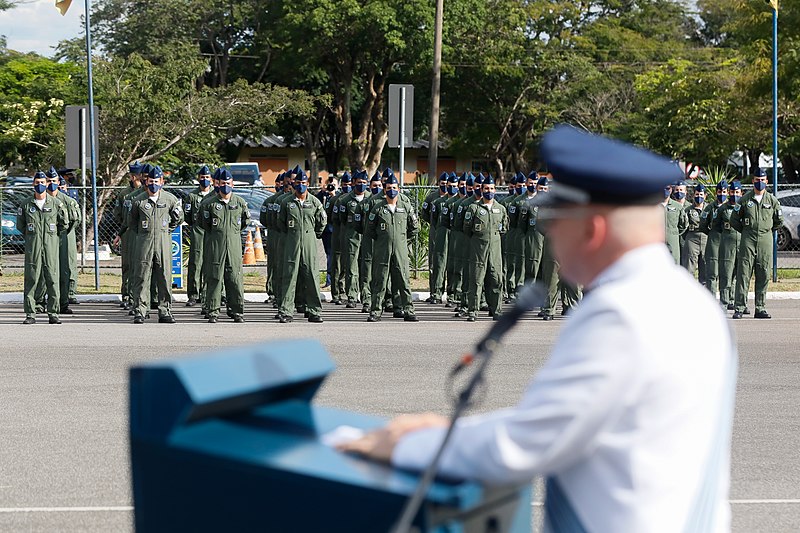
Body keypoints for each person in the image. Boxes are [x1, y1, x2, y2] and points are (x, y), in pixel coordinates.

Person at [339, 125, 737, 533]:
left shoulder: (620, 314)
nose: (548, 235)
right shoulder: (690, 300)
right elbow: (565, 422)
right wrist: (448, 429)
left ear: (592, 230)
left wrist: (405, 446)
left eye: (554, 221)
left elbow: (525, 444)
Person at [129, 166, 184, 324]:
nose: (153, 184)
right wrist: (143, 234)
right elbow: (132, 222)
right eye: (151, 181)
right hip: (144, 242)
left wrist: (166, 230)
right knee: (141, 276)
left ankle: (165, 310)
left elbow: (178, 218)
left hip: (163, 242)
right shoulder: (138, 201)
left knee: (165, 277)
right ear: (146, 181)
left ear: (162, 182)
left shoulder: (170, 200)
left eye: (156, 181)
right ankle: (140, 310)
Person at [364, 174, 419, 322]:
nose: (392, 191)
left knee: (403, 280)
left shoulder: (405, 207)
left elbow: (414, 228)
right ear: (384, 189)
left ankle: (408, 310)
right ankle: (375, 311)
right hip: (382, 250)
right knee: (380, 280)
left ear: (399, 189)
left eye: (394, 188)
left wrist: (402, 240)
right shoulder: (377, 208)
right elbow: (369, 229)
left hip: (400, 250)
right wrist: (383, 240)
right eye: (389, 188)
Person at [730, 169, 783, 319]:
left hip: (765, 239)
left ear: (766, 181)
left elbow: (779, 221)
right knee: (743, 273)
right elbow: (734, 219)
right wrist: (747, 230)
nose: (760, 182)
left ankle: (760, 308)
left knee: (764, 273)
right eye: (757, 179)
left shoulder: (772, 200)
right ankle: (739, 307)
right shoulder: (744, 200)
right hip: (748, 238)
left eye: (762, 179)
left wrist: (766, 230)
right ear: (753, 181)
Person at [199, 168, 249, 323]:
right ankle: (213, 311)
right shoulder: (208, 203)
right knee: (214, 278)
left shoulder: (239, 202)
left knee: (234, 278)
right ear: (217, 184)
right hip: (215, 246)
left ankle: (236, 311)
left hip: (233, 246)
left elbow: (244, 222)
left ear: (232, 183)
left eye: (228, 183)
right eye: (222, 183)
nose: (225, 186)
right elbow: (203, 223)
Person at [276, 171, 326, 323]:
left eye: (304, 183)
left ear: (308, 184)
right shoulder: (286, 202)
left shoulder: (315, 202)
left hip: (309, 241)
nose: (301, 186)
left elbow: (321, 222)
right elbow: (281, 223)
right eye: (298, 183)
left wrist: (312, 234)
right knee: (289, 276)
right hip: (292, 241)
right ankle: (286, 311)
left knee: (311, 275)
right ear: (293, 184)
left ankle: (314, 311)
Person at [19, 171, 68, 324]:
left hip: (50, 248)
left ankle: (53, 313)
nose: (40, 185)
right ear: (33, 184)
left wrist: (51, 238)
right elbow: (21, 226)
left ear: (47, 184)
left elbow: (63, 223)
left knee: (52, 279)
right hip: (33, 248)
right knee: (32, 279)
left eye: (42, 183)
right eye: (37, 183)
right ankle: (30, 314)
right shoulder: (26, 204)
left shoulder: (55, 203)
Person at [463, 175, 508, 322]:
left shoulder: (500, 209)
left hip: (495, 250)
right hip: (478, 249)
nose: (489, 191)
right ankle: (473, 311)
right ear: (481, 190)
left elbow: (504, 228)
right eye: (486, 188)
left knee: (496, 279)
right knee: (476, 280)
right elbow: (467, 228)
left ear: (495, 190)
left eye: (492, 188)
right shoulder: (473, 208)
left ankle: (496, 310)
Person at [113, 161, 142, 310]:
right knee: (127, 265)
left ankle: (140, 297)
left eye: (139, 175)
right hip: (128, 232)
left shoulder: (145, 192)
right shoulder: (124, 194)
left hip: (142, 233)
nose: (136, 178)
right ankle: (126, 295)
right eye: (134, 175)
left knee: (141, 265)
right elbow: (118, 214)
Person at [185, 165, 213, 307]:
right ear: (198, 179)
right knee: (195, 263)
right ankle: (193, 294)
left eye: (207, 177)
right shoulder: (192, 196)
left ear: (212, 179)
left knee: (211, 263)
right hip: (198, 231)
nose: (205, 180)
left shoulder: (215, 194)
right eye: (202, 177)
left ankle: (208, 293)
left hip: (212, 233)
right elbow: (188, 216)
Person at [682, 184, 708, 282]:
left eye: (701, 195)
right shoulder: (688, 210)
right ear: (693, 196)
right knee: (689, 268)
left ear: (705, 196)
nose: (699, 197)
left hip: (706, 238)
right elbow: (683, 226)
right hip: (692, 238)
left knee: (705, 268)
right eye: (697, 194)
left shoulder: (709, 209)